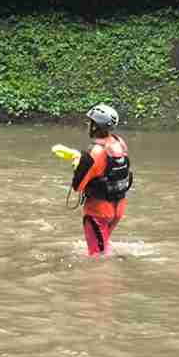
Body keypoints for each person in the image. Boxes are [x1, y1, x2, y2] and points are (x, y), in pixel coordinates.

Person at [70, 104, 132, 257]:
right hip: (118, 207)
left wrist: (77, 164)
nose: (88, 125)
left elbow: (78, 186)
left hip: (98, 211)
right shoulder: (119, 143)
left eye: (90, 122)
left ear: (95, 126)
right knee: (103, 246)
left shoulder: (94, 152)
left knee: (97, 256)